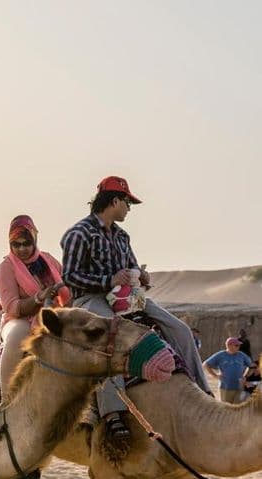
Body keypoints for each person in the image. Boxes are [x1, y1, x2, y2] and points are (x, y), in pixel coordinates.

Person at [61, 176, 211, 439]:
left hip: (127, 297)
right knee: (110, 337)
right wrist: (108, 280)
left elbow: (131, 267)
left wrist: (141, 276)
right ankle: (112, 413)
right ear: (114, 201)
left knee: (179, 328)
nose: (129, 208)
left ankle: (202, 392)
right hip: (90, 299)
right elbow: (69, 276)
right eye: (127, 202)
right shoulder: (78, 234)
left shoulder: (122, 236)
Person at [0, 215, 71, 395]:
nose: (21, 248)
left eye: (26, 243)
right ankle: (7, 400)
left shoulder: (48, 261)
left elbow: (67, 287)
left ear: (35, 240)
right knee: (16, 337)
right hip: (18, 318)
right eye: (16, 244)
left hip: (51, 314)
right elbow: (12, 308)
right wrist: (39, 297)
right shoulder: (6, 266)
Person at [203, 337, 253, 403]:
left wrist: (245, 377)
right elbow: (205, 364)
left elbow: (252, 366)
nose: (239, 347)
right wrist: (215, 375)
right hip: (225, 387)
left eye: (239, 345)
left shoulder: (242, 355)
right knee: (227, 408)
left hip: (239, 387)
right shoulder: (221, 355)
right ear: (229, 345)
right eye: (237, 345)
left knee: (237, 408)